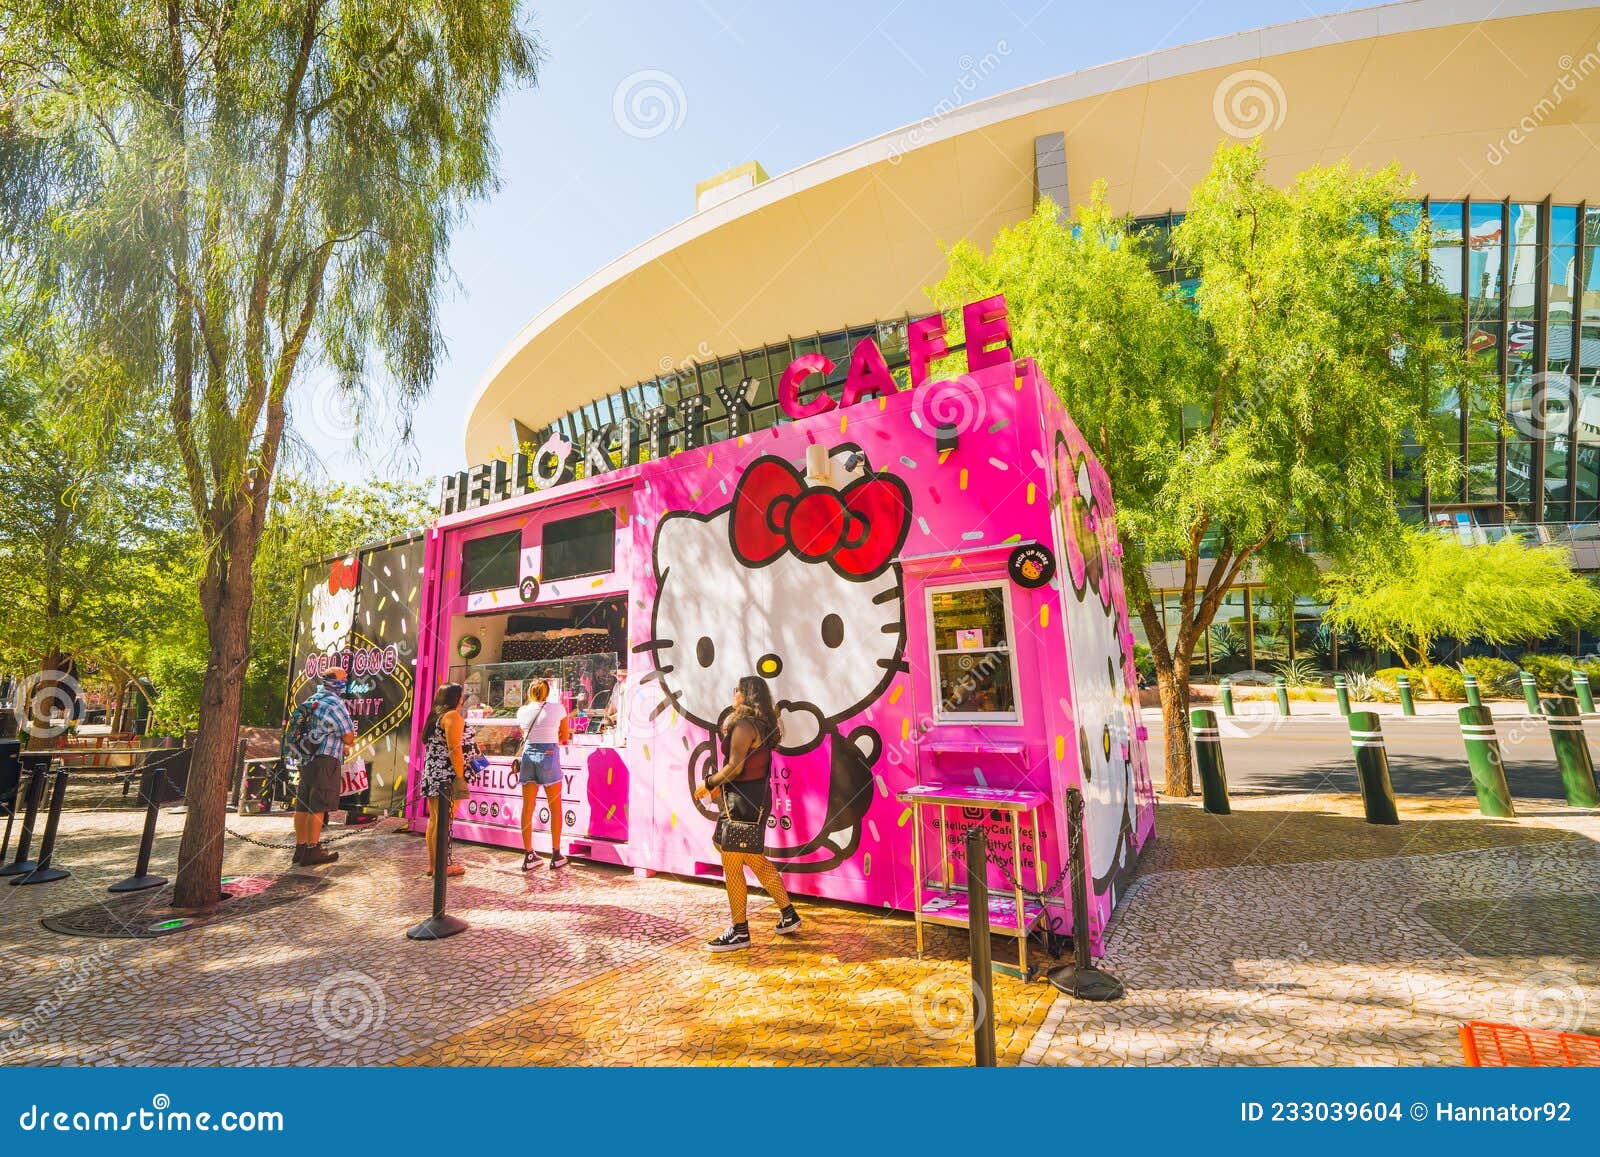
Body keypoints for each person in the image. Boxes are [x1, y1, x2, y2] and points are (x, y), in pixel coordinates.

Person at [693, 675, 801, 951]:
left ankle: (740, 931)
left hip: (741, 802)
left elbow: (735, 767)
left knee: (733, 864)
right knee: (754, 859)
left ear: (747, 695)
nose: (733, 693)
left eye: (737, 690)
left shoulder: (743, 725)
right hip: (754, 799)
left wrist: (708, 784)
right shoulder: (763, 725)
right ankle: (788, 914)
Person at [293, 667, 356, 866]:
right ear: (334, 682)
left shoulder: (312, 700)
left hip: (306, 758)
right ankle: (313, 849)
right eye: (343, 678)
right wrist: (343, 743)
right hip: (325, 760)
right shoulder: (335, 703)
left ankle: (300, 848)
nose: (346, 681)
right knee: (318, 805)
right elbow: (349, 736)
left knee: (303, 804)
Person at [516, 679, 571, 870]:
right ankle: (556, 854)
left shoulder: (522, 711)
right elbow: (564, 736)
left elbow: (523, 735)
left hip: (528, 755)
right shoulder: (558, 709)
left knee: (527, 807)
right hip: (548, 754)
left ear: (529, 692)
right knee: (555, 806)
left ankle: (529, 854)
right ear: (547, 692)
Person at [419, 682, 470, 878]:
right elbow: (455, 749)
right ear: (457, 698)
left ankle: (434, 865)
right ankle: (443, 867)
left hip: (432, 774)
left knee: (435, 820)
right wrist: (460, 777)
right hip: (447, 776)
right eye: (462, 695)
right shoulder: (452, 717)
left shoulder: (435, 717)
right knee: (444, 821)